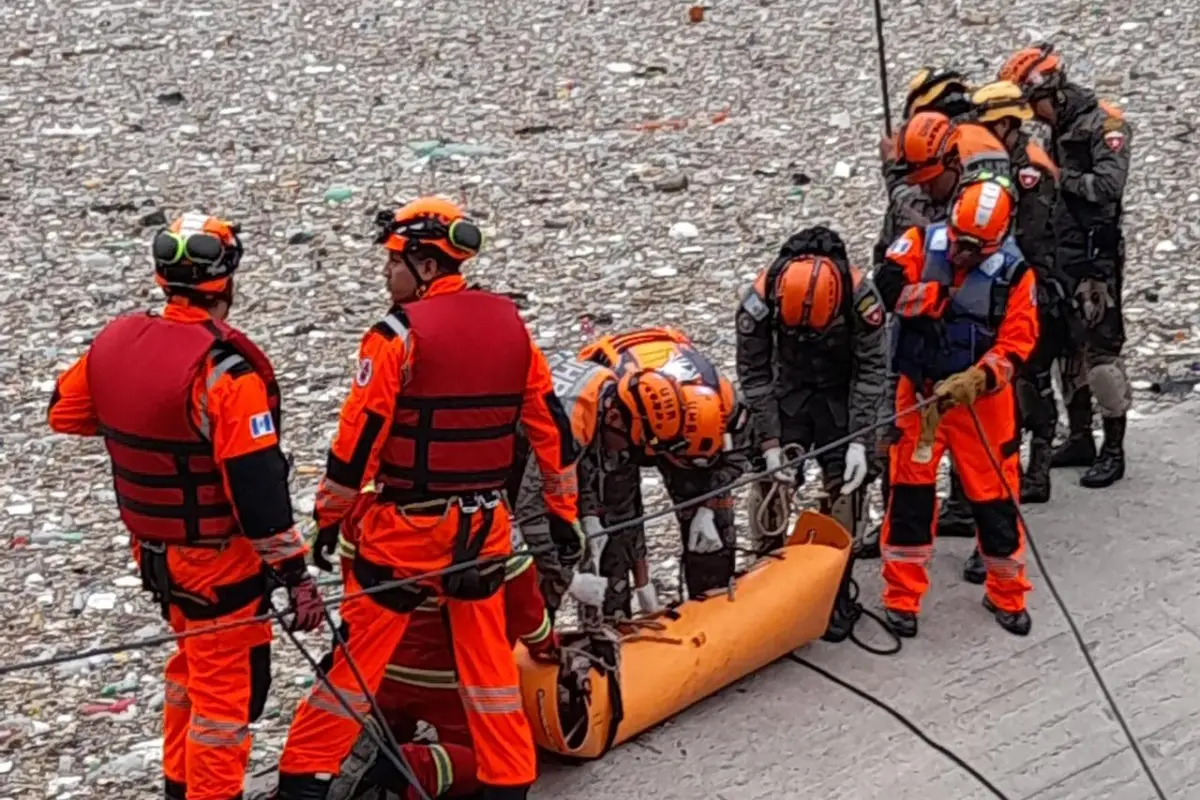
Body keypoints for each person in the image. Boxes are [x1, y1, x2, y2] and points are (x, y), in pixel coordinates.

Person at [279, 196, 581, 800]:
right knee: (490, 674)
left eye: (392, 261)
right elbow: (551, 429)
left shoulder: (395, 336)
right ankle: (508, 784)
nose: (385, 274)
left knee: (354, 667)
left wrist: (328, 521)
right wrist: (563, 514)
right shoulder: (511, 329)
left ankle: (303, 781)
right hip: (485, 531)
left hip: (406, 535)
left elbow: (357, 441)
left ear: (422, 262)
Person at [47, 213, 323, 800]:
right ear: (227, 280)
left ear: (160, 276)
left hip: (155, 553)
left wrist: (147, 425)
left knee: (187, 674)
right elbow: (257, 490)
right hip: (218, 561)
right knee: (229, 700)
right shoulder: (225, 372)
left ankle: (179, 786)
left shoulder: (114, 341)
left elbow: (65, 414)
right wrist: (297, 575)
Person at [874, 178, 1037, 638]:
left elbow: (1018, 343)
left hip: (981, 405)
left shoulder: (1016, 275)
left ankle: (1007, 594)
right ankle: (901, 599)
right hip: (921, 397)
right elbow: (887, 285)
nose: (963, 254)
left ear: (998, 239)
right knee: (909, 499)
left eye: (975, 248)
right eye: (960, 242)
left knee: (997, 505)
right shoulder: (920, 242)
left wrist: (978, 378)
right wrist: (931, 297)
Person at [327, 518, 561, 800]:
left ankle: (367, 740)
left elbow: (353, 586)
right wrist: (545, 645)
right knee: (500, 761)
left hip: (381, 664)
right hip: (449, 677)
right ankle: (404, 767)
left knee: (388, 714)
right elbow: (526, 610)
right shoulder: (490, 518)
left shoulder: (371, 510)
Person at [1000, 42, 1133, 488]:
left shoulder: (1103, 124)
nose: (1031, 114)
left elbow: (1109, 186)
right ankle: (1079, 436)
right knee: (1065, 351)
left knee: (1101, 354)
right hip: (1061, 256)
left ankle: (1114, 448)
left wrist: (1060, 176)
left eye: (1032, 102)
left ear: (1051, 92)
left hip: (1096, 258)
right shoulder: (1056, 129)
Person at [577, 327, 747, 620]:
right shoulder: (615, 414)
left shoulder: (727, 403)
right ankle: (611, 617)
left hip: (659, 416)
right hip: (628, 416)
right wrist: (643, 582)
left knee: (714, 529)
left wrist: (706, 507)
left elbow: (738, 459)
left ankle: (713, 604)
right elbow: (623, 509)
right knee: (610, 537)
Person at [735, 225, 887, 550]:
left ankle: (839, 578)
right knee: (770, 481)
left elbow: (872, 373)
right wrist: (770, 443)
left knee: (849, 483)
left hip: (841, 391)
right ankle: (767, 561)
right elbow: (754, 375)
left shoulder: (862, 300)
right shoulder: (758, 302)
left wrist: (860, 440)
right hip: (785, 386)